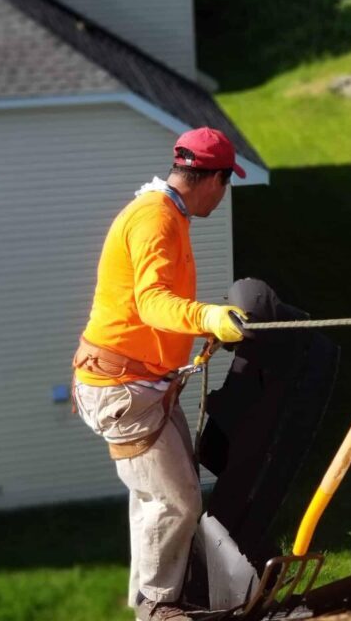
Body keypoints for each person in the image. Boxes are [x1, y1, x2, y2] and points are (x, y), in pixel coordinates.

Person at [72, 127, 249, 620]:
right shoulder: (156, 219)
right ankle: (156, 608)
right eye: (226, 182)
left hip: (142, 384)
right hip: (121, 390)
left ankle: (152, 600)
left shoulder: (165, 212)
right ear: (211, 178)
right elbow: (152, 304)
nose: (223, 192)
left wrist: (197, 331)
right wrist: (206, 317)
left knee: (157, 498)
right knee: (177, 501)